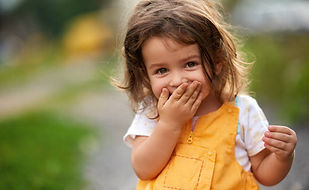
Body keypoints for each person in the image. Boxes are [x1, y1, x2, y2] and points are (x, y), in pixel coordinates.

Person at [117, 0, 297, 189]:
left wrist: (283, 157)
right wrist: (169, 124)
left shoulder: (242, 110)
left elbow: (264, 174)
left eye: (190, 64)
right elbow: (144, 169)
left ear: (217, 60)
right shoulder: (152, 111)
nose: (177, 80)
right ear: (145, 74)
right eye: (162, 70)